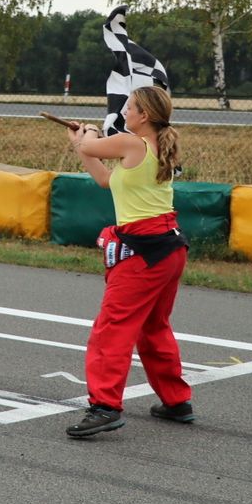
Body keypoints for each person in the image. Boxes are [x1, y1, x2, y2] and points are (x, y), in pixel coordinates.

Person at [63, 85, 193, 439]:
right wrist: (82, 143)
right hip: (167, 248)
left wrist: (87, 133)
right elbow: (106, 179)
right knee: (153, 326)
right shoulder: (151, 147)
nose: (124, 112)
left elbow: (90, 146)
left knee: (112, 328)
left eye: (130, 107)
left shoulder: (132, 143)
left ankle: (105, 406)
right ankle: (176, 400)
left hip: (144, 251)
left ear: (144, 115)